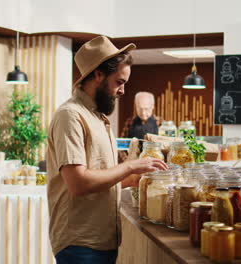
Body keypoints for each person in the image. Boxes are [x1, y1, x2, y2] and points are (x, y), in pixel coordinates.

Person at [46, 36, 167, 264]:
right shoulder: (70, 116)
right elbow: (78, 183)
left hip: (101, 240)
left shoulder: (98, 118)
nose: (123, 91)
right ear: (98, 75)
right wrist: (130, 165)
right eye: (119, 82)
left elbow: (101, 178)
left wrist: (133, 178)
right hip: (80, 243)